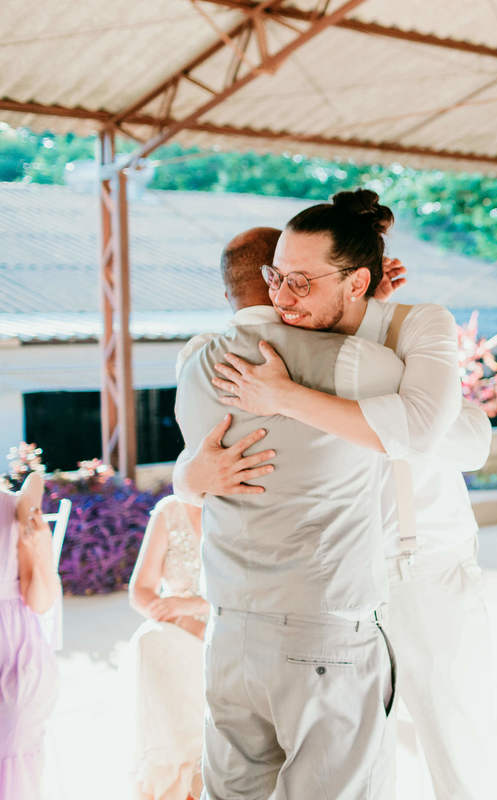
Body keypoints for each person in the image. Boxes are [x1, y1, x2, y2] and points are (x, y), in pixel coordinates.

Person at [179, 190, 497, 800]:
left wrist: (299, 398)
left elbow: (464, 441)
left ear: (353, 282)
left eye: (299, 281)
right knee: (364, 760)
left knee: (454, 744)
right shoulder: (272, 351)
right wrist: (192, 479)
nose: (279, 298)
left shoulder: (405, 328)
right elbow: (200, 456)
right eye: (277, 279)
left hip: (423, 564)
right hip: (337, 584)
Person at [173, 220, 402, 799]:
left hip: (229, 628)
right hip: (322, 630)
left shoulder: (194, 366)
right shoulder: (356, 363)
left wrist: (188, 480)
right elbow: (439, 431)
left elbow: (189, 471)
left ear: (229, 291)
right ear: (275, 279)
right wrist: (368, 307)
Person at [127, 495, 208, 800]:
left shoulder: (246, 504)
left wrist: (193, 607)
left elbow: (258, 592)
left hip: (232, 625)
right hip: (178, 629)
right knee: (152, 642)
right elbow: (141, 591)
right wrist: (180, 617)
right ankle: (174, 787)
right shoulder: (169, 511)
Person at [0, 471, 60, 799]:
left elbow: (39, 601)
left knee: (13, 727)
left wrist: (40, 547)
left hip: (14, 652)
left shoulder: (13, 508)